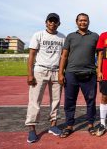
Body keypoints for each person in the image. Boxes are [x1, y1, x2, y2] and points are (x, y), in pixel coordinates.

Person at [25, 13, 65, 143]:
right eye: (50, 21)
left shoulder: (62, 37)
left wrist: (61, 72)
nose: (52, 23)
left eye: (55, 21)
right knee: (35, 100)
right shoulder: (38, 35)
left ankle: (53, 126)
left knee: (56, 100)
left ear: (59, 23)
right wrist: (30, 73)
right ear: (46, 22)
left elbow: (64, 56)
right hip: (40, 70)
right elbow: (31, 55)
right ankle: (32, 128)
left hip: (56, 70)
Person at [58, 13, 99, 138]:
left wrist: (100, 70)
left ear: (89, 22)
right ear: (76, 22)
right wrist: (60, 73)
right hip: (71, 73)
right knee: (69, 101)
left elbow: (101, 55)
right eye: (80, 20)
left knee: (91, 101)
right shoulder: (70, 37)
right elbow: (64, 55)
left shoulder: (95, 36)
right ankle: (69, 125)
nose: (83, 22)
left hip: (89, 74)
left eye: (85, 20)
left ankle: (91, 124)